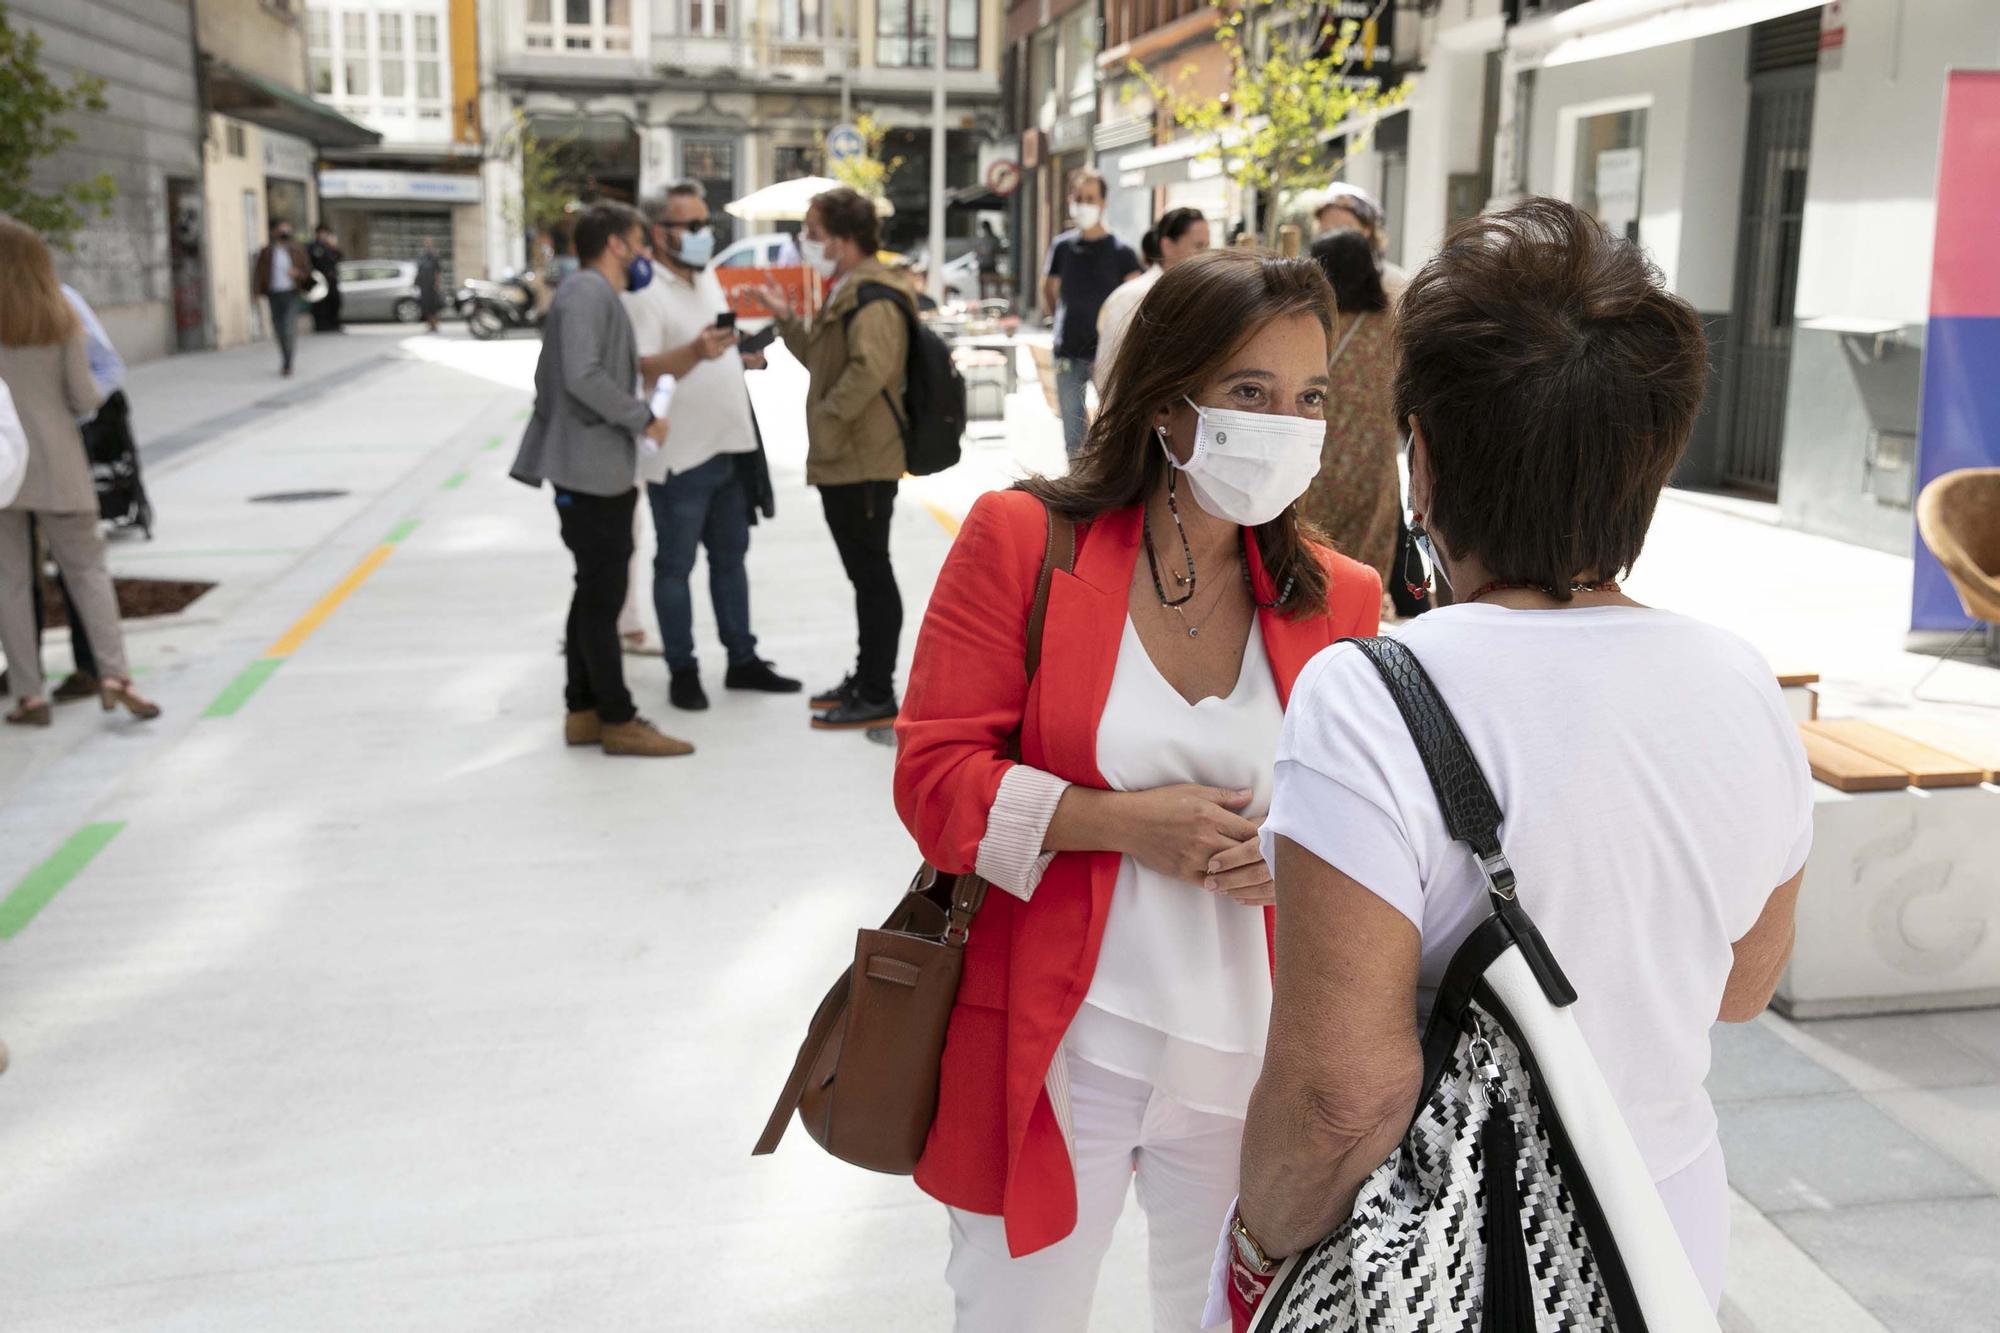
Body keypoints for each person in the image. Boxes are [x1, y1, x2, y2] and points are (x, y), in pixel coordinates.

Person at [1225, 199, 1812, 1320]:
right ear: (1651, 462)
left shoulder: (1365, 700)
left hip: (1453, 1253)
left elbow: (1339, 1099)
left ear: (1425, 459)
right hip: (1660, 1234)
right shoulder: (1740, 683)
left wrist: (1255, 1246)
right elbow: (1741, 985)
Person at [892, 249, 1384, 1332]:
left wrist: (1292, 859)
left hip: (1253, 1057)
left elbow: (1363, 824)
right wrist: (1116, 825)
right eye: (1249, 393)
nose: (1283, 424)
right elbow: (932, 781)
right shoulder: (1022, 541)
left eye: (1308, 399)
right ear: (1168, 401)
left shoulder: (1339, 595)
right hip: (1056, 1042)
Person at [508, 201, 691, 759]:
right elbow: (581, 375)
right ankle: (617, 717)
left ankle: (583, 710)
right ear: (614, 243)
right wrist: (642, 417)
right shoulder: (587, 292)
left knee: (593, 589)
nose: (643, 252)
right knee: (602, 594)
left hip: (596, 467)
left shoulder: (589, 293)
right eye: (637, 242)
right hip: (587, 471)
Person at [623, 182, 799, 712]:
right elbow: (643, 368)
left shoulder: (708, 282)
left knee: (731, 560)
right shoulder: (644, 292)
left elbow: (709, 348)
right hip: (680, 454)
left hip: (730, 447)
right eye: (693, 226)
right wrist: (698, 352)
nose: (704, 235)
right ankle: (683, 668)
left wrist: (734, 357)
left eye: (706, 225)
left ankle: (742, 659)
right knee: (674, 566)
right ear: (661, 232)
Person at [748, 187, 911, 732]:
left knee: (872, 576)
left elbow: (871, 369)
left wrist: (829, 418)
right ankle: (866, 676)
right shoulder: (848, 288)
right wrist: (787, 320)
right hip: (848, 456)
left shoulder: (875, 295)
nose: (804, 243)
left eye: (812, 233)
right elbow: (825, 361)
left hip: (863, 459)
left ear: (842, 240)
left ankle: (877, 690)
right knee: (864, 575)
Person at [0, 216, 161, 727]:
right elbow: (85, 395)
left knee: (10, 582)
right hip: (61, 462)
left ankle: (30, 695)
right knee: (88, 571)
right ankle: (116, 676)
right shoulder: (61, 315)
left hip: (4, 465)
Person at [1298, 228, 1401, 585]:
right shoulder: (1393, 326)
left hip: (1316, 460)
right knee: (1363, 565)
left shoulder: (1310, 325)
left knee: (1310, 556)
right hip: (1374, 463)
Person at [1041, 168, 1143, 456]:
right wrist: (1060, 320)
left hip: (1108, 355)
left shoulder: (1122, 251)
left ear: (1103, 203)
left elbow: (1135, 300)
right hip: (1068, 352)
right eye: (1079, 197)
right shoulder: (1062, 247)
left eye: (1091, 198)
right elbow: (1047, 287)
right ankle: (1077, 494)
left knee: (1116, 433)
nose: (1084, 204)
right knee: (1073, 438)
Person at [1093, 206, 1210, 394]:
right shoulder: (1129, 298)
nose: (1205, 256)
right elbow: (1109, 375)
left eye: (1207, 246)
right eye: (1198, 246)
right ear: (1167, 246)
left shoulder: (1204, 297)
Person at [1312, 183, 1408, 300]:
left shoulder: (1395, 282)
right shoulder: (1309, 281)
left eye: (1343, 229)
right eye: (1326, 230)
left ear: (1367, 230)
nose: (1333, 237)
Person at [252, 219, 311, 377]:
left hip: (291, 293)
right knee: (279, 328)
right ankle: (285, 356)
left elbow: (307, 272)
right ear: (273, 232)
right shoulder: (267, 252)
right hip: (274, 294)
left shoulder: (297, 250)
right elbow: (258, 273)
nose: (284, 232)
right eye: (281, 229)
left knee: (288, 327)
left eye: (287, 229)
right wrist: (255, 293)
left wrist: (297, 273)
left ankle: (287, 362)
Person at [308, 224, 344, 332]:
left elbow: (339, 257)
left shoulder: (328, 247)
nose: (324, 235)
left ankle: (333, 324)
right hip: (319, 280)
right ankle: (321, 325)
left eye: (326, 233)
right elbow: (317, 261)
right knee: (320, 304)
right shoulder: (314, 246)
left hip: (331, 280)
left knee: (335, 301)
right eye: (322, 233)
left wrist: (333, 247)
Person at [416, 239, 445, 333]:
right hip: (423, 286)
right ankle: (429, 323)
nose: (427, 244)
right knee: (425, 305)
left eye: (428, 242)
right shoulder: (422, 257)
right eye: (426, 242)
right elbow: (419, 271)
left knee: (434, 305)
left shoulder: (434, 256)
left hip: (432, 285)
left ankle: (435, 323)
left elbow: (437, 272)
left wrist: (437, 284)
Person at [975, 219, 1004, 301]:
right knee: (983, 285)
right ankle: (983, 301)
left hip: (990, 264)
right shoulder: (981, 239)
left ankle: (997, 299)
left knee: (996, 283)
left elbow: (996, 250)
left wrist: (987, 252)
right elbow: (977, 251)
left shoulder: (993, 239)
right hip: (983, 264)